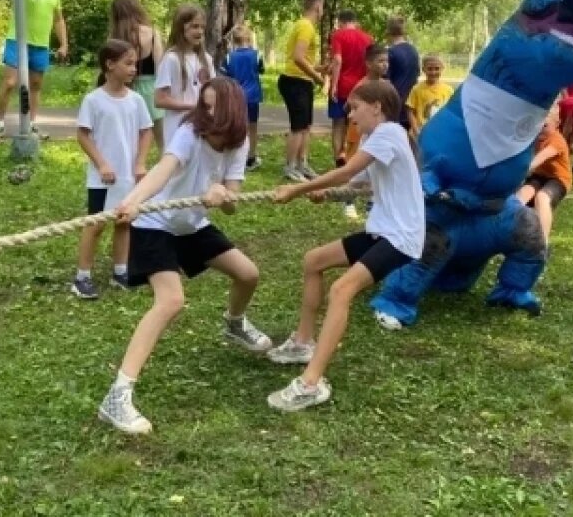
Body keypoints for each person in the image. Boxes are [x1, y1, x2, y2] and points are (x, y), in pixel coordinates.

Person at [96, 77, 273, 434]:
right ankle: (117, 396)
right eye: (202, 105)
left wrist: (222, 192)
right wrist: (132, 202)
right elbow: (163, 171)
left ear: (231, 111)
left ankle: (234, 324)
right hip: (155, 223)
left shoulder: (238, 143)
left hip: (191, 225)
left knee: (248, 274)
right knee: (171, 301)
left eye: (213, 107)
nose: (205, 113)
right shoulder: (190, 132)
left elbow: (234, 201)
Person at [266, 79, 423, 412]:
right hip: (382, 230)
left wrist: (296, 189)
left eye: (354, 107)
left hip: (400, 237)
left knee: (341, 290)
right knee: (313, 261)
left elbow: (346, 172)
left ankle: (311, 383)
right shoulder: (373, 138)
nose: (350, 115)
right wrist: (327, 191)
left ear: (377, 107)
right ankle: (303, 343)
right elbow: (356, 181)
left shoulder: (390, 133)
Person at [72, 40, 153, 299]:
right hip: (102, 179)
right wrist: (102, 163)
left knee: (124, 222)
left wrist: (140, 162)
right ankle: (81, 277)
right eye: (128, 63)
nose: (134, 69)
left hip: (128, 176)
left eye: (135, 64)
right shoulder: (94, 100)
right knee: (95, 224)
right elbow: (83, 135)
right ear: (110, 64)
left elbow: (146, 131)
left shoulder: (137, 100)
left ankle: (121, 271)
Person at [0, 0, 70, 143]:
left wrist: (63, 44)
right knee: (9, 83)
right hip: (17, 40)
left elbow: (58, 19)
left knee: (35, 85)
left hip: (40, 44)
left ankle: (32, 123)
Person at [278, 0, 326, 182]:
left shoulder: (304, 26)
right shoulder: (306, 26)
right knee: (298, 127)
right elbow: (298, 58)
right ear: (317, 7)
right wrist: (318, 78)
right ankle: (290, 167)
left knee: (305, 127)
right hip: (294, 81)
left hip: (301, 80)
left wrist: (320, 69)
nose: (323, 12)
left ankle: (302, 164)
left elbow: (302, 59)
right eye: (322, 8)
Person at [108, 0, 165, 152]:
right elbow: (160, 66)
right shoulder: (152, 33)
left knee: (129, 142)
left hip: (125, 90)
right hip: (151, 90)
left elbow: (109, 69)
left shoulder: (114, 37)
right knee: (163, 143)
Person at [339, 44, 389, 220]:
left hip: (379, 135)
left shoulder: (386, 85)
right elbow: (347, 106)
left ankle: (371, 204)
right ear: (368, 64)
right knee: (356, 169)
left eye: (386, 61)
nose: (385, 65)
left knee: (375, 169)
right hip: (360, 133)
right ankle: (348, 202)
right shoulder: (362, 85)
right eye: (380, 61)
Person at [154, 4, 215, 148]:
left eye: (202, 27)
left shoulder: (206, 59)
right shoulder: (171, 59)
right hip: (177, 127)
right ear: (181, 27)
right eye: (194, 26)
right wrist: (193, 107)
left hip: (203, 127)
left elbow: (212, 90)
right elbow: (160, 99)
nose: (199, 31)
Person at [517, 107, 572, 242]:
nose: (540, 127)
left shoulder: (556, 141)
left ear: (557, 124)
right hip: (539, 176)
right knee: (521, 196)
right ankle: (511, 235)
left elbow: (535, 162)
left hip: (559, 179)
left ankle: (542, 243)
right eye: (538, 123)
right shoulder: (533, 137)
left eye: (545, 125)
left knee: (542, 197)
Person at [327, 10, 374, 166]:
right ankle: (352, 158)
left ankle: (338, 159)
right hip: (361, 87)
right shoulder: (368, 38)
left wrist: (333, 84)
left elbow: (338, 60)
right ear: (355, 21)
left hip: (342, 86)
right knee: (357, 123)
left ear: (340, 22)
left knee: (338, 123)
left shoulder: (338, 35)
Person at [221, 25, 266, 170]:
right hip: (252, 96)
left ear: (234, 39)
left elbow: (224, 75)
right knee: (252, 127)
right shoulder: (256, 54)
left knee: (237, 126)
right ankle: (251, 157)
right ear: (249, 38)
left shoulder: (228, 57)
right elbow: (261, 70)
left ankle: (235, 156)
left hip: (236, 95)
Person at [405, 54, 454, 140]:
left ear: (442, 68)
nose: (433, 72)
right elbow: (410, 111)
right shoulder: (417, 89)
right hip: (422, 131)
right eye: (430, 69)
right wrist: (415, 129)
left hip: (440, 131)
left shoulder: (448, 90)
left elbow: (451, 112)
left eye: (437, 69)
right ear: (424, 69)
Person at [385, 16, 420, 131]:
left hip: (395, 101)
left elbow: (386, 81)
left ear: (388, 32)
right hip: (411, 100)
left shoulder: (390, 52)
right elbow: (417, 74)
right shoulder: (413, 51)